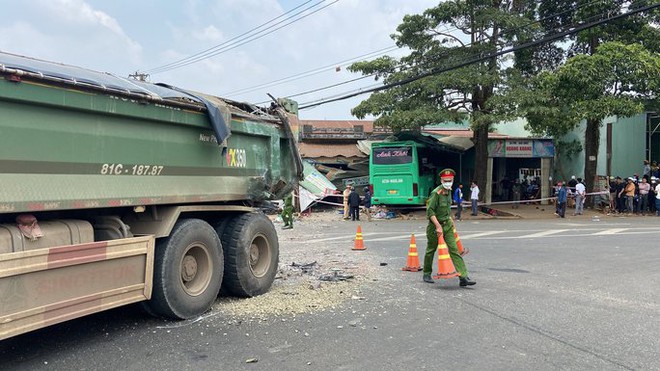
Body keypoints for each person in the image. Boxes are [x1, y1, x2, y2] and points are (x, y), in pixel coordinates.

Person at [423, 169, 475, 287]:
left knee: (454, 250)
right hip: (435, 227)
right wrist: (437, 226)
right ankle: (426, 273)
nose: (448, 182)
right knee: (431, 250)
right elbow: (430, 211)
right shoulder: (436, 193)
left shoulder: (450, 191)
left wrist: (450, 219)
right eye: (445, 180)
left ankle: (463, 277)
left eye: (450, 180)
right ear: (441, 180)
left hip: (447, 225)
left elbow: (446, 209)